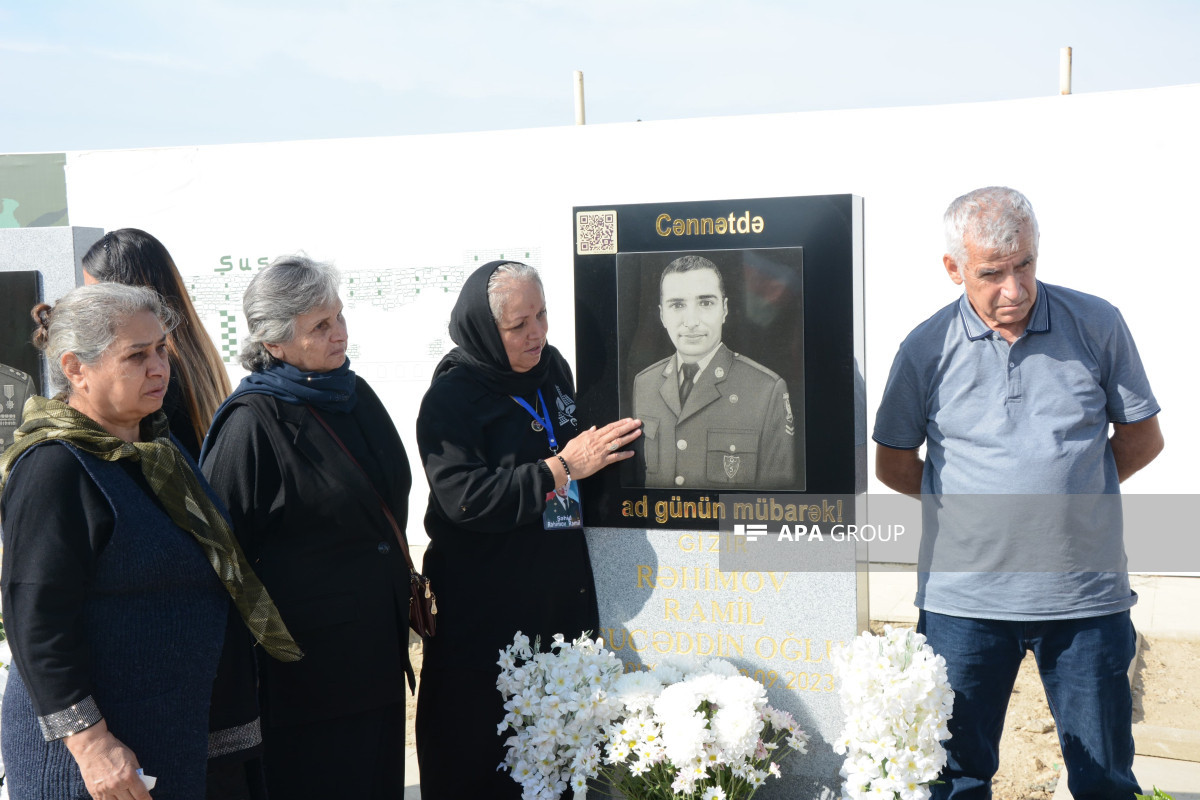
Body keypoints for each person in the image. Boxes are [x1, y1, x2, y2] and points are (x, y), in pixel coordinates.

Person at [873, 186, 1164, 799]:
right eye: (992, 273)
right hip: (963, 604)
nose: (1015, 289)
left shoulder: (1097, 324)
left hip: (1085, 600)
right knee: (956, 776)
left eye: (1025, 264)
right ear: (953, 269)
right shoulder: (924, 349)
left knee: (1105, 778)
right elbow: (895, 463)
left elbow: (1141, 439)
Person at [0, 284, 299, 800]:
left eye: (161, 349)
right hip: (100, 767)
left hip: (172, 746)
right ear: (75, 368)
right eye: (137, 356)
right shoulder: (55, 468)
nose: (159, 368)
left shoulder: (159, 456)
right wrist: (92, 746)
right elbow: (37, 619)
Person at [415, 260, 641, 798]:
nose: (536, 332)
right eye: (518, 326)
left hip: (559, 601)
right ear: (485, 330)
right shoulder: (452, 398)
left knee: (560, 753)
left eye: (542, 315)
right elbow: (467, 499)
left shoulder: (553, 369)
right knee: (486, 756)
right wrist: (561, 468)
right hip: (487, 612)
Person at [199, 255, 413, 800]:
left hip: (374, 661)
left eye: (339, 316)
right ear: (274, 344)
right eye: (320, 325)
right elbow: (219, 559)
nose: (339, 333)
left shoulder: (352, 393)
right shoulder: (251, 424)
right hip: (307, 682)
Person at [631, 254, 794, 489]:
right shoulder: (645, 383)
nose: (691, 321)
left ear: (725, 310)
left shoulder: (766, 389)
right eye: (677, 305)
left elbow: (779, 499)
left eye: (705, 303)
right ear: (662, 315)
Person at [82, 228, 232, 460]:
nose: (91, 305)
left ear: (124, 293)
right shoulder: (190, 354)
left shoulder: (157, 370)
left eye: (95, 293)